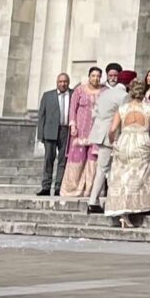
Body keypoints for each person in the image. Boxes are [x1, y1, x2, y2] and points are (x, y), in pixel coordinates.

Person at [104, 77, 150, 229]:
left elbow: (112, 129)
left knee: (122, 176)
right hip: (141, 140)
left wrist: (113, 142)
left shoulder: (122, 109)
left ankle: (123, 211)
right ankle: (134, 206)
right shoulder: (149, 108)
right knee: (137, 175)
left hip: (124, 141)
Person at [87, 64, 129, 211]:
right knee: (105, 168)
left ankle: (103, 200)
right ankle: (94, 201)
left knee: (106, 168)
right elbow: (124, 116)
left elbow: (94, 113)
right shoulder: (123, 96)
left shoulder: (105, 93)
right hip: (111, 134)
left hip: (100, 131)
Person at [60, 68, 102, 200]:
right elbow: (72, 109)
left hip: (96, 130)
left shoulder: (104, 91)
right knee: (77, 157)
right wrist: (73, 125)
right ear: (89, 76)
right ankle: (72, 188)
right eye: (93, 76)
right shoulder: (79, 90)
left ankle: (90, 189)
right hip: (80, 129)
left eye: (98, 76)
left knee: (93, 160)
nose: (95, 78)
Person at [35, 72, 73, 196]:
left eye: (65, 81)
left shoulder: (73, 95)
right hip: (50, 131)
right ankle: (46, 186)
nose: (63, 84)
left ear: (68, 82)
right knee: (48, 159)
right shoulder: (48, 96)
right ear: (57, 83)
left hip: (66, 131)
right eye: (60, 82)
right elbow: (41, 115)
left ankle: (59, 187)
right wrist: (40, 134)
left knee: (63, 160)